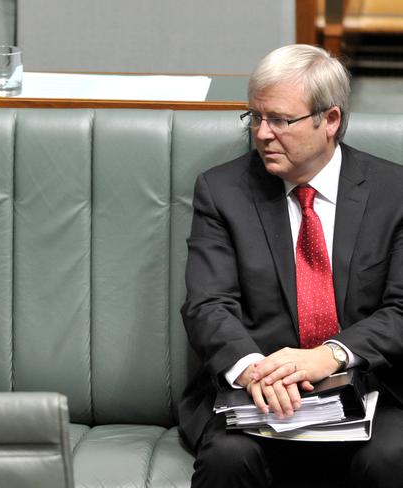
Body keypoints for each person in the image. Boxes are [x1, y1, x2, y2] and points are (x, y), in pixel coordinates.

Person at [178, 44, 403, 487]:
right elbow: (207, 304)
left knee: (391, 459)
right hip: (256, 392)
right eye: (255, 118)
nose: (262, 133)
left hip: (370, 386)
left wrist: (329, 356)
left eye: (280, 120)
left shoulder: (394, 193)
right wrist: (250, 369)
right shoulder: (222, 191)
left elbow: (401, 309)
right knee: (228, 458)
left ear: (330, 120)